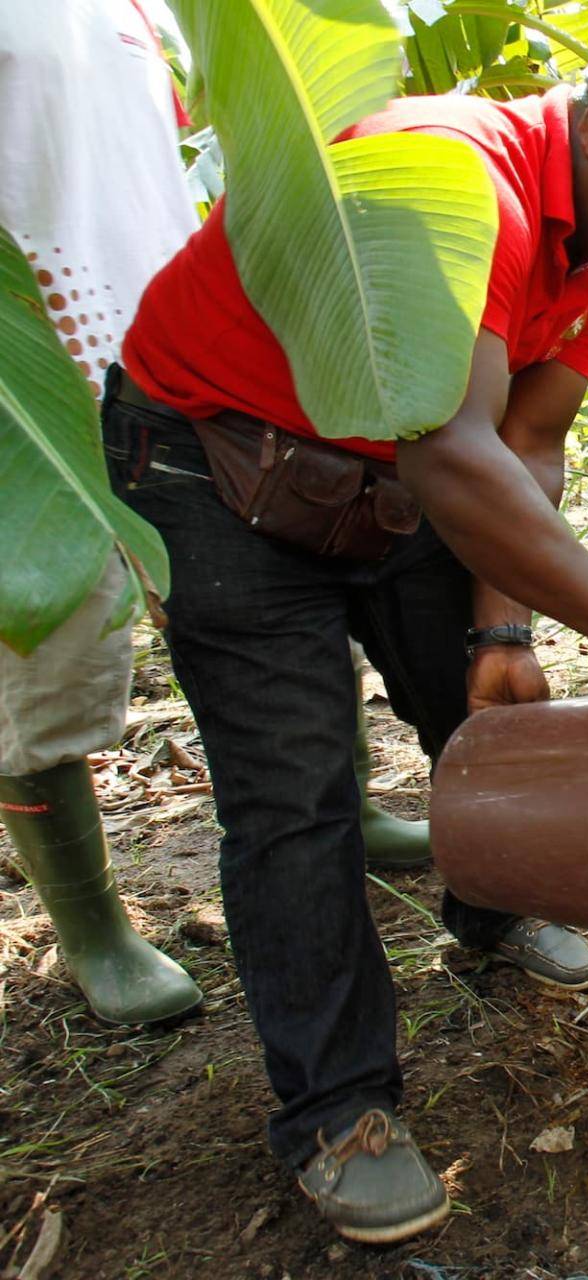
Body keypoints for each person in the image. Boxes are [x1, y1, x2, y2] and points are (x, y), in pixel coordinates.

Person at [107, 36, 588, 1243]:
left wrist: (505, 624)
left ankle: (492, 898)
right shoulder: (452, 175)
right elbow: (451, 451)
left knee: (475, 703)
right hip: (219, 462)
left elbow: (521, 444)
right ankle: (337, 1110)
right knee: (298, 793)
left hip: (390, 468)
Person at [0, 0, 204, 1028]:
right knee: (48, 647)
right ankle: (91, 927)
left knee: (243, 582)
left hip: (169, 348)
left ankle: (343, 791)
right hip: (35, 371)